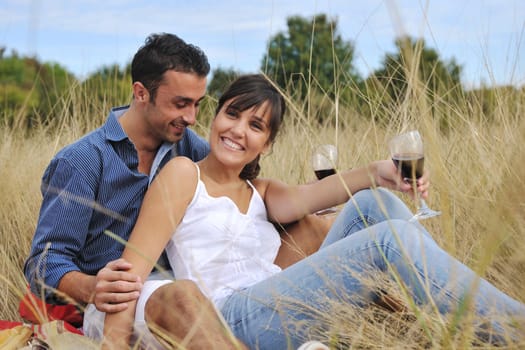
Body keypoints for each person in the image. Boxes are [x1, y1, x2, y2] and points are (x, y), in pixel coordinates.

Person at [101, 73, 525, 349]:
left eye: (256, 126)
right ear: (215, 118)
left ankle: (444, 315)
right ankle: (513, 330)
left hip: (281, 298)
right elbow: (129, 273)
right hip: (231, 317)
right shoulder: (182, 175)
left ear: (266, 145)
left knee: (372, 205)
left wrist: (381, 171)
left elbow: (316, 197)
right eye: (232, 115)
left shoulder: (260, 190)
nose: (237, 131)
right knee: (385, 241)